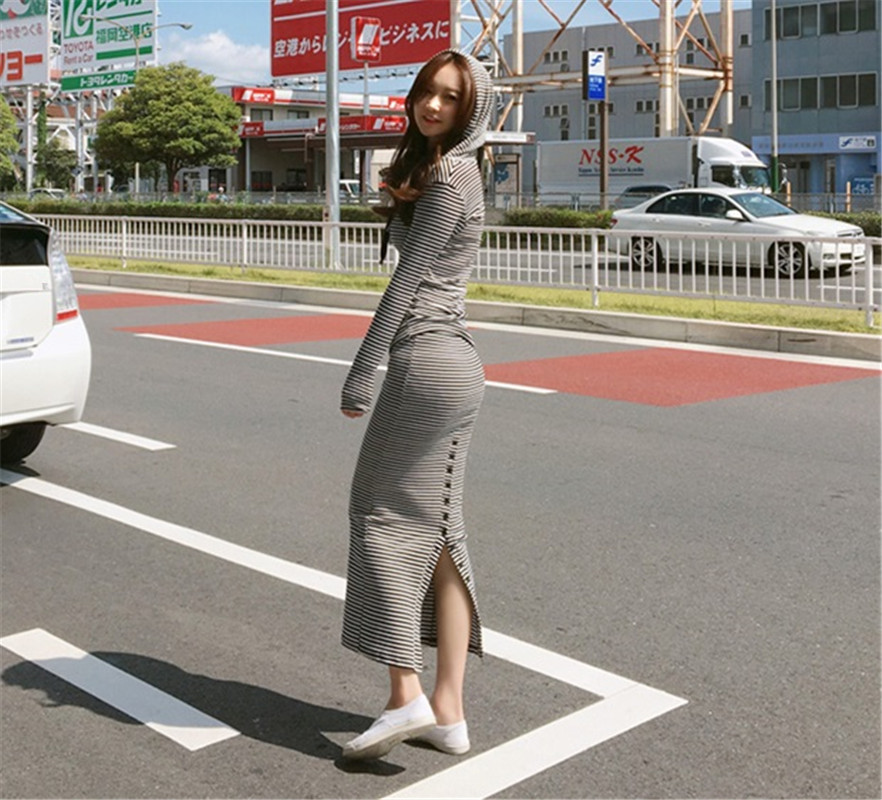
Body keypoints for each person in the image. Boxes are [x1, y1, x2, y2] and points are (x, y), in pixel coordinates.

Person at [339, 49, 492, 762]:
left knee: (376, 514)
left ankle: (405, 694)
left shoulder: (451, 177)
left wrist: (361, 371)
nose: (432, 105)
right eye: (426, 91)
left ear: (473, 108)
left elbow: (406, 287)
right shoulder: (452, 170)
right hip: (455, 362)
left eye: (450, 97)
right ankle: (449, 712)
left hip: (424, 362)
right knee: (439, 534)